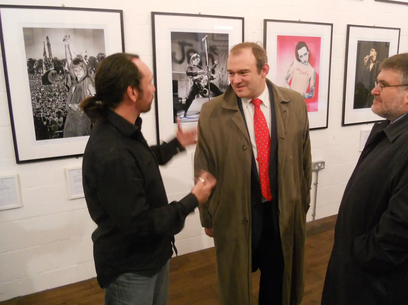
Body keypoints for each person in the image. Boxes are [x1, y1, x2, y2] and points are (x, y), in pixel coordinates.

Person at [81, 53, 216, 305]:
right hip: (132, 269)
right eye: (150, 82)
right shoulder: (111, 151)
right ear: (132, 92)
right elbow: (140, 223)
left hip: (151, 257)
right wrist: (193, 199)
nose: (154, 88)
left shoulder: (122, 132)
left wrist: (176, 144)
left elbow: (141, 160)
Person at [321, 53, 408, 305]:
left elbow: (407, 226)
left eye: (383, 85)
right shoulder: (396, 128)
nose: (373, 90)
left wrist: (363, 254)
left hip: (382, 285)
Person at [194, 42, 312, 304]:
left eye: (243, 72)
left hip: (280, 213)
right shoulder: (212, 112)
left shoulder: (293, 104)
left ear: (264, 70)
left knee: (278, 281)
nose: (235, 80)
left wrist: (303, 203)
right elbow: (203, 167)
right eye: (231, 73)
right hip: (236, 214)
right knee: (236, 284)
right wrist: (207, 217)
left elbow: (304, 159)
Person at [183, 53, 222, 117]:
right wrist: (198, 72)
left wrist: (214, 65)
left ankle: (224, 104)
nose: (197, 61)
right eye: (196, 60)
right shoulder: (189, 66)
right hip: (196, 84)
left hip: (204, 82)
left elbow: (206, 72)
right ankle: (185, 112)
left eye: (198, 60)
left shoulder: (199, 67)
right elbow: (188, 73)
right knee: (190, 98)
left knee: (217, 90)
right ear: (192, 60)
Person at [63, 57, 95, 137]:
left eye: (80, 69)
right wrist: (70, 105)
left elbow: (95, 97)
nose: (77, 72)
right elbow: (68, 103)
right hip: (70, 119)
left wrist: (79, 105)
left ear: (84, 69)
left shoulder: (87, 80)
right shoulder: (74, 84)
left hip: (81, 120)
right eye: (75, 70)